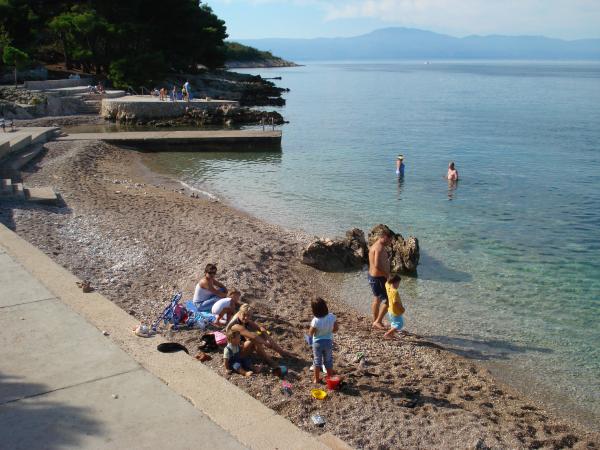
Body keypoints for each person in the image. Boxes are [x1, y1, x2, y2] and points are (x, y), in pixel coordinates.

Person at [226, 304, 294, 367]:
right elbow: (253, 337)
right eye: (244, 315)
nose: (246, 317)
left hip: (242, 346)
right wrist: (266, 343)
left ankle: (281, 352)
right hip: (236, 354)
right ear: (239, 313)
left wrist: (265, 334)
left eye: (248, 315)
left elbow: (259, 328)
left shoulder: (244, 319)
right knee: (253, 339)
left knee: (261, 333)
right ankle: (268, 360)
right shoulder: (236, 325)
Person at [308, 297, 338, 384]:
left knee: (317, 362)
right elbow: (336, 329)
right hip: (328, 342)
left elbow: (310, 333)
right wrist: (330, 331)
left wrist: (309, 340)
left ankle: (316, 379)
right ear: (325, 307)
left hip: (317, 343)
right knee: (328, 360)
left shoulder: (315, 321)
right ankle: (330, 377)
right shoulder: (331, 316)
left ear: (314, 310)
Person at [368, 229, 392, 330]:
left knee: (377, 299)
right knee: (389, 301)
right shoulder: (379, 248)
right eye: (390, 240)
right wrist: (387, 275)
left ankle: (376, 321)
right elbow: (377, 265)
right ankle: (377, 321)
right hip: (378, 278)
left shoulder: (376, 245)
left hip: (374, 277)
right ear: (385, 237)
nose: (390, 242)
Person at [383, 274, 406, 340]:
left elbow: (387, 282)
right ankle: (388, 334)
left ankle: (391, 334)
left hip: (390, 310)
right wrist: (401, 308)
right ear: (395, 282)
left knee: (393, 323)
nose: (398, 285)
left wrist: (389, 278)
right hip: (396, 311)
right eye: (398, 283)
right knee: (399, 324)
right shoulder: (395, 292)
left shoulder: (388, 286)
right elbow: (395, 302)